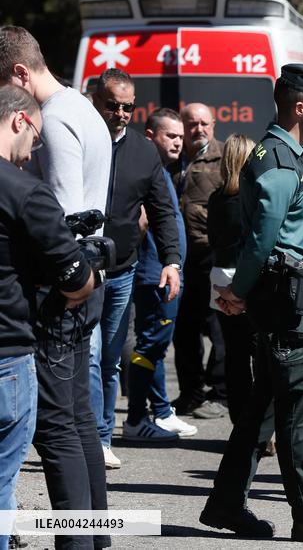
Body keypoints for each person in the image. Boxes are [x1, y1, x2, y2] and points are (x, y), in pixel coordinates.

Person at [201, 64, 303, 544]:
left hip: (285, 297)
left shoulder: (287, 154)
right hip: (285, 302)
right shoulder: (276, 160)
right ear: (301, 106)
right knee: (296, 408)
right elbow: (262, 239)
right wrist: (239, 292)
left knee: (263, 407)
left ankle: (227, 504)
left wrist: (242, 292)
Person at [1, 25, 113, 550]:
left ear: (20, 75)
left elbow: (62, 214)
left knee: (55, 428)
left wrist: (63, 285)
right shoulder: (80, 107)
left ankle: (78, 542)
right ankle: (95, 537)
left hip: (65, 289)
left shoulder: (62, 116)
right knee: (76, 419)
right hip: (83, 279)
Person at [87, 68, 182, 463]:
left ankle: (103, 437)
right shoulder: (80, 140)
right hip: (81, 269)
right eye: (113, 105)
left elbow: (163, 212)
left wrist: (172, 261)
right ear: (96, 101)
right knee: (89, 356)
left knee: (109, 358)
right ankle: (89, 439)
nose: (121, 113)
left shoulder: (145, 153)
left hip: (122, 269)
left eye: (128, 107)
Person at [123, 107, 197, 443]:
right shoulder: (146, 173)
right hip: (155, 276)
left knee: (155, 345)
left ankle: (161, 411)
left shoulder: (165, 172)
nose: (179, 142)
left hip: (167, 274)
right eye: (171, 135)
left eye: (181, 136)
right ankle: (138, 417)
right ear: (150, 135)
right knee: (150, 345)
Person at [170, 102, 226, 419]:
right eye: (192, 124)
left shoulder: (223, 158)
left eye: (204, 123)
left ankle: (220, 393)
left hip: (210, 253)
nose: (198, 130)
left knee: (218, 327)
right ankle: (190, 392)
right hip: (179, 257)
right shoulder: (172, 157)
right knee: (184, 330)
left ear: (213, 124)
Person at [207, 134, 259, 425]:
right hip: (247, 280)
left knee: (234, 356)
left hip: (219, 277)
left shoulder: (217, 198)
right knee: (259, 355)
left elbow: (212, 238)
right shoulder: (253, 199)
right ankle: (262, 426)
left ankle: (241, 424)